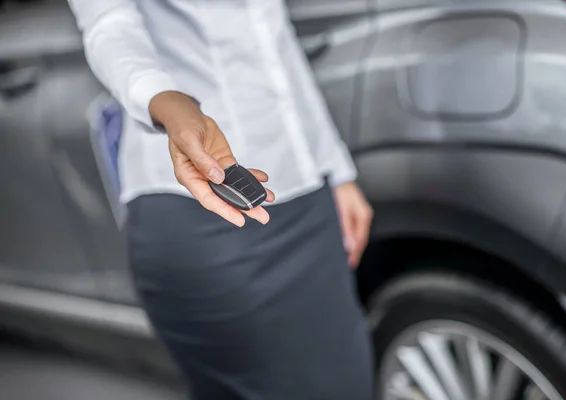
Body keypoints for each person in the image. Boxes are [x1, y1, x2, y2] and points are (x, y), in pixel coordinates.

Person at [67, 1, 375, 399]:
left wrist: (337, 169)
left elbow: (275, 44)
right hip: (202, 211)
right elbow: (109, 25)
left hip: (307, 196)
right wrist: (165, 100)